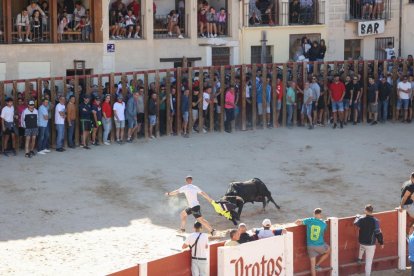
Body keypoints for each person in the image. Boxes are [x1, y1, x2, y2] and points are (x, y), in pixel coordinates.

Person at [295, 208, 330, 276]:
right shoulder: (324, 223)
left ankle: (315, 266)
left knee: (312, 266)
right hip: (320, 246)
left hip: (310, 246)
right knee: (329, 251)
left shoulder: (309, 220)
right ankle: (317, 264)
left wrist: (299, 220)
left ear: (314, 214)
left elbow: (298, 223)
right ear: (320, 214)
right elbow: (324, 231)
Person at [354, 204, 384, 276]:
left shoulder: (361, 219)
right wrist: (381, 243)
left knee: (362, 247)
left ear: (365, 211)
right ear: (372, 211)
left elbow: (355, 223)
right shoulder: (376, 221)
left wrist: (358, 216)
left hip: (362, 242)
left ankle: (359, 258)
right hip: (370, 244)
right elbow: (378, 233)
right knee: (368, 262)